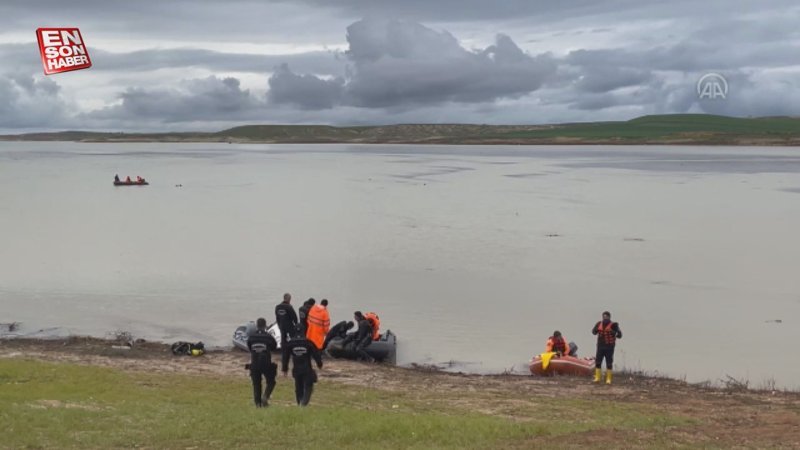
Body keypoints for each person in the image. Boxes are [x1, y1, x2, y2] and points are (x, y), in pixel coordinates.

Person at [281, 329, 323, 406]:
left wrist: (284, 369)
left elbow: (285, 356)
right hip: (307, 369)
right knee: (309, 386)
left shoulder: (290, 343)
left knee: (298, 387)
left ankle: (299, 402)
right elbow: (316, 354)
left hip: (296, 369)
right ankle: (303, 404)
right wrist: (319, 364)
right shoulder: (308, 342)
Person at [247, 317, 278, 407]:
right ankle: (265, 397)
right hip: (266, 363)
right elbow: (274, 346)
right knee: (271, 381)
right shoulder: (268, 337)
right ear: (265, 326)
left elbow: (249, 347)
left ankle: (257, 404)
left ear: (257, 326)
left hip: (255, 364)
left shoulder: (251, 337)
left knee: (256, 384)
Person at [592, 311, 623, 384]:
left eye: (606, 317)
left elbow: (620, 335)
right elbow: (593, 332)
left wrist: (613, 332)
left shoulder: (614, 325)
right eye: (603, 317)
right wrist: (596, 330)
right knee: (598, 362)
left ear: (609, 317)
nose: (605, 318)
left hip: (609, 347)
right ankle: (597, 378)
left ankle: (608, 379)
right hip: (600, 346)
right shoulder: (599, 323)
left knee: (609, 363)